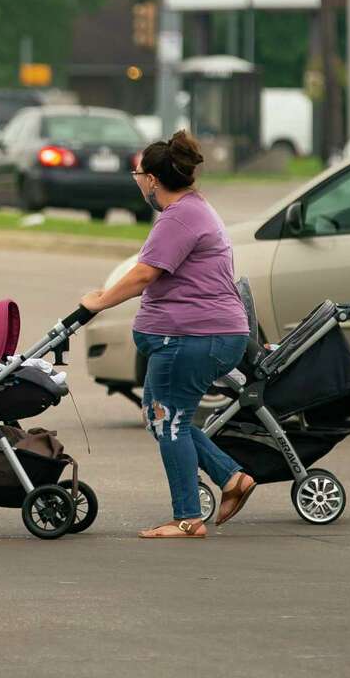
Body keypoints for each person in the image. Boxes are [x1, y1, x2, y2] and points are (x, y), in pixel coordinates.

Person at [79, 130, 257, 539]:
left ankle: (187, 519)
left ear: (152, 180)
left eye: (138, 175)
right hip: (200, 335)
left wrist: (98, 302)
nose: (137, 181)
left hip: (192, 337)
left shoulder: (179, 218)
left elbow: (144, 274)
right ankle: (232, 478)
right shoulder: (193, 209)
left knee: (169, 421)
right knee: (162, 417)